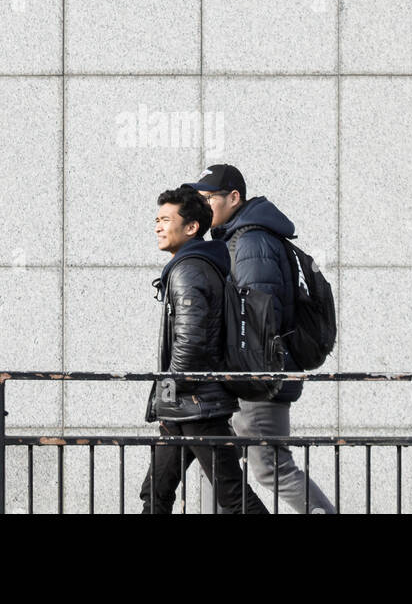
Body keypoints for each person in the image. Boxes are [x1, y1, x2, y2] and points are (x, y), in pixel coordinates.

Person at [189, 164, 337, 513]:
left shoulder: (251, 241)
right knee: (222, 471)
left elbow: (253, 317)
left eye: (208, 198)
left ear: (234, 197)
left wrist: (245, 376)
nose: (202, 205)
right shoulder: (241, 238)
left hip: (257, 380)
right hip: (247, 379)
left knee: (272, 468)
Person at [140, 185, 268, 514]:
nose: (157, 226)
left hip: (197, 406)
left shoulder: (188, 270)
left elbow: (190, 342)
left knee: (234, 497)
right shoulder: (200, 265)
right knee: (156, 492)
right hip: (187, 407)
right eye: (157, 219)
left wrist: (165, 392)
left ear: (192, 227)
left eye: (166, 219)